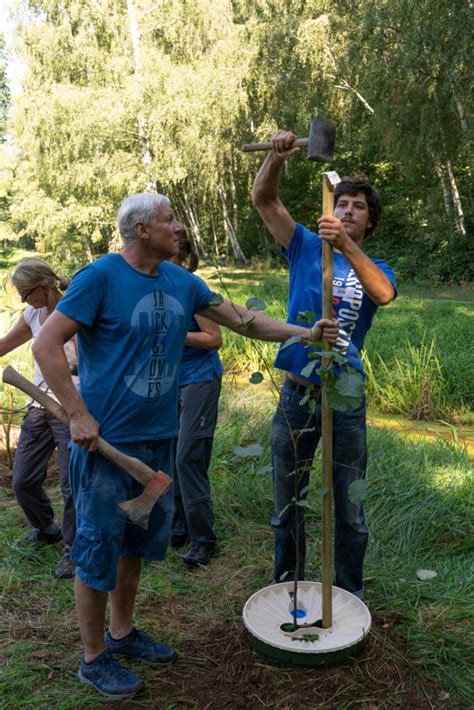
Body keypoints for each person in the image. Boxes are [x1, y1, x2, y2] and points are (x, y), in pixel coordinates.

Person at [32, 192, 339, 700]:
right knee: (95, 547)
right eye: (169, 220)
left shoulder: (181, 280)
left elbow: (244, 319)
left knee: (135, 542)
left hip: (157, 442)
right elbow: (45, 345)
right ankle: (92, 657)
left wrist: (305, 332)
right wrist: (79, 412)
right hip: (109, 444)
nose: (178, 228)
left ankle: (123, 633)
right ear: (141, 231)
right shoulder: (100, 277)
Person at [252, 130, 397, 599]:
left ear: (368, 222)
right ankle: (287, 589)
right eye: (342, 203)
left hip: (346, 399)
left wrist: (348, 247)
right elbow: (263, 199)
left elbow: (383, 295)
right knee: (287, 502)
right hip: (298, 395)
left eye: (357, 207)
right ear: (329, 210)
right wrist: (275, 158)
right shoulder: (303, 245)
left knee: (349, 507)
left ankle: (348, 593)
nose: (347, 210)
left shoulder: (378, 267)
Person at [0, 257, 77, 579]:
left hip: (72, 406)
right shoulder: (33, 313)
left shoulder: (76, 309)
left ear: (44, 287)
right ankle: (46, 528)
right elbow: (4, 344)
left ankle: (75, 549)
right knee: (23, 479)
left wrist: (69, 362)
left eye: (25, 293)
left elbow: (82, 357)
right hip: (38, 404)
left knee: (72, 485)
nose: (23, 301)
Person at [170, 229, 223, 566]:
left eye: (172, 260)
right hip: (169, 382)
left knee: (189, 456)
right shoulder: (156, 288)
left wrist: (176, 334)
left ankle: (203, 538)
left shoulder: (193, 288)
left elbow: (213, 338)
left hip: (200, 378)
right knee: (171, 451)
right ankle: (179, 524)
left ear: (182, 259)